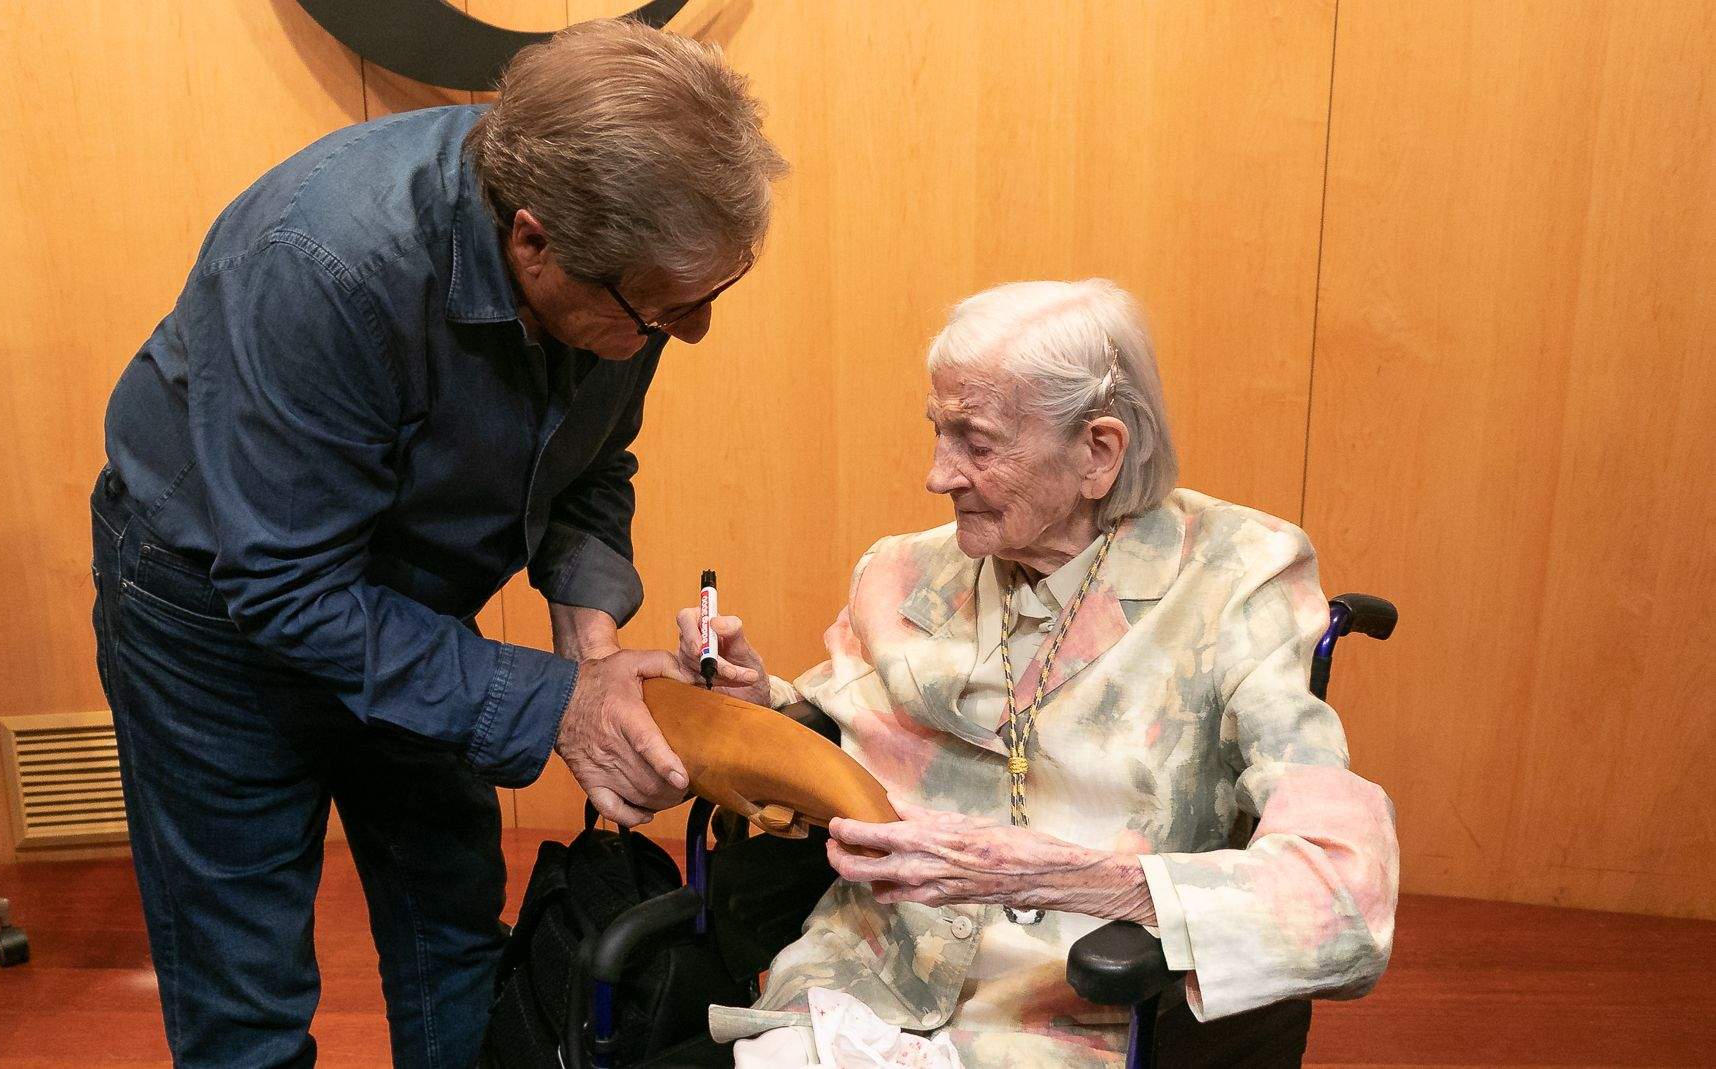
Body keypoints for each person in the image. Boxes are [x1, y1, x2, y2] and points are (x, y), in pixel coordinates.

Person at [90, 19, 787, 1068]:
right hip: (214, 613)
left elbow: (588, 461)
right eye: (664, 311)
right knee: (247, 993)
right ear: (533, 242)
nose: (688, 336)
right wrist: (559, 704)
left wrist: (592, 652)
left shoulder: (627, 261)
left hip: (406, 599)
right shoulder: (318, 260)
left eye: (706, 299)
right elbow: (285, 587)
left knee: (454, 930)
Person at [681, 279, 1398, 1066]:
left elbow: (1344, 900)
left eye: (976, 443)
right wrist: (757, 705)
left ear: (1098, 452)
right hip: (855, 993)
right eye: (938, 432)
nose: (937, 474)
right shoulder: (902, 573)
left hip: (1062, 1022)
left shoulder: (1236, 579)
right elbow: (839, 736)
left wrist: (1083, 879)